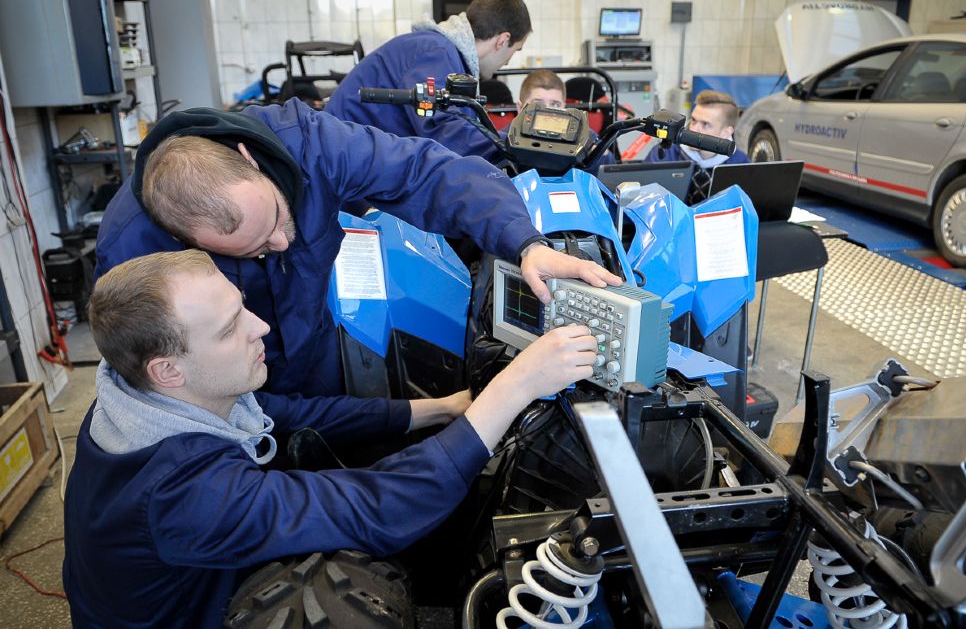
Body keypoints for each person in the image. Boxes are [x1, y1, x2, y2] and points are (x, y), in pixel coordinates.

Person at [63, 250, 597, 628]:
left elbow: (295, 412)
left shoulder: (133, 400)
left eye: (242, 306)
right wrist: (515, 386)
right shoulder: (184, 494)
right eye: (230, 329)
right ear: (168, 370)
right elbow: (377, 508)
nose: (261, 328)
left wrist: (440, 409)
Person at [94, 99, 620, 398]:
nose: (280, 245)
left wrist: (522, 241)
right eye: (254, 252)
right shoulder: (132, 251)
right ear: (185, 241)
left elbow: (429, 173)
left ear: (250, 160)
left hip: (315, 348)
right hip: (228, 391)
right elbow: (160, 385)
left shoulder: (307, 144)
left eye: (278, 219)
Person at [328, 0, 530, 163]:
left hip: (355, 157)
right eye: (516, 50)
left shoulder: (444, 54)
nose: (509, 61)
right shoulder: (435, 54)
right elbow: (447, 135)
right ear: (503, 40)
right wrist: (518, 135)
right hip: (340, 165)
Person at [645, 89, 749, 168]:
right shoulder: (665, 154)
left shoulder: (740, 164)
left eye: (705, 124)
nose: (694, 129)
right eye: (694, 120)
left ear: (726, 132)